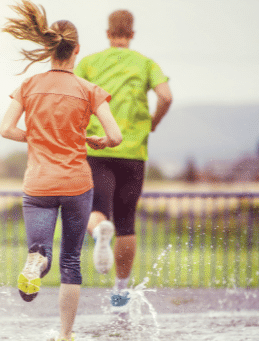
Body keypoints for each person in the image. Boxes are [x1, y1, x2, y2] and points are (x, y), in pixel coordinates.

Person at [0, 0, 122, 341]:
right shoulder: (88, 90)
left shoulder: (29, 85)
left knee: (41, 251)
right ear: (77, 51)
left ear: (49, 48)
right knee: (71, 260)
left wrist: (35, 137)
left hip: (38, 184)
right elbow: (115, 136)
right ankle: (66, 336)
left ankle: (36, 262)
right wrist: (97, 141)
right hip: (76, 184)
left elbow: (6, 128)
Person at [74, 9, 172, 311]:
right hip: (133, 152)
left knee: (97, 210)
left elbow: (76, 97)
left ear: (107, 33)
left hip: (96, 148)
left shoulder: (90, 63)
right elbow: (166, 96)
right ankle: (120, 293)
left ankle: (99, 232)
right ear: (131, 34)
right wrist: (152, 122)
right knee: (126, 222)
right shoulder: (145, 63)